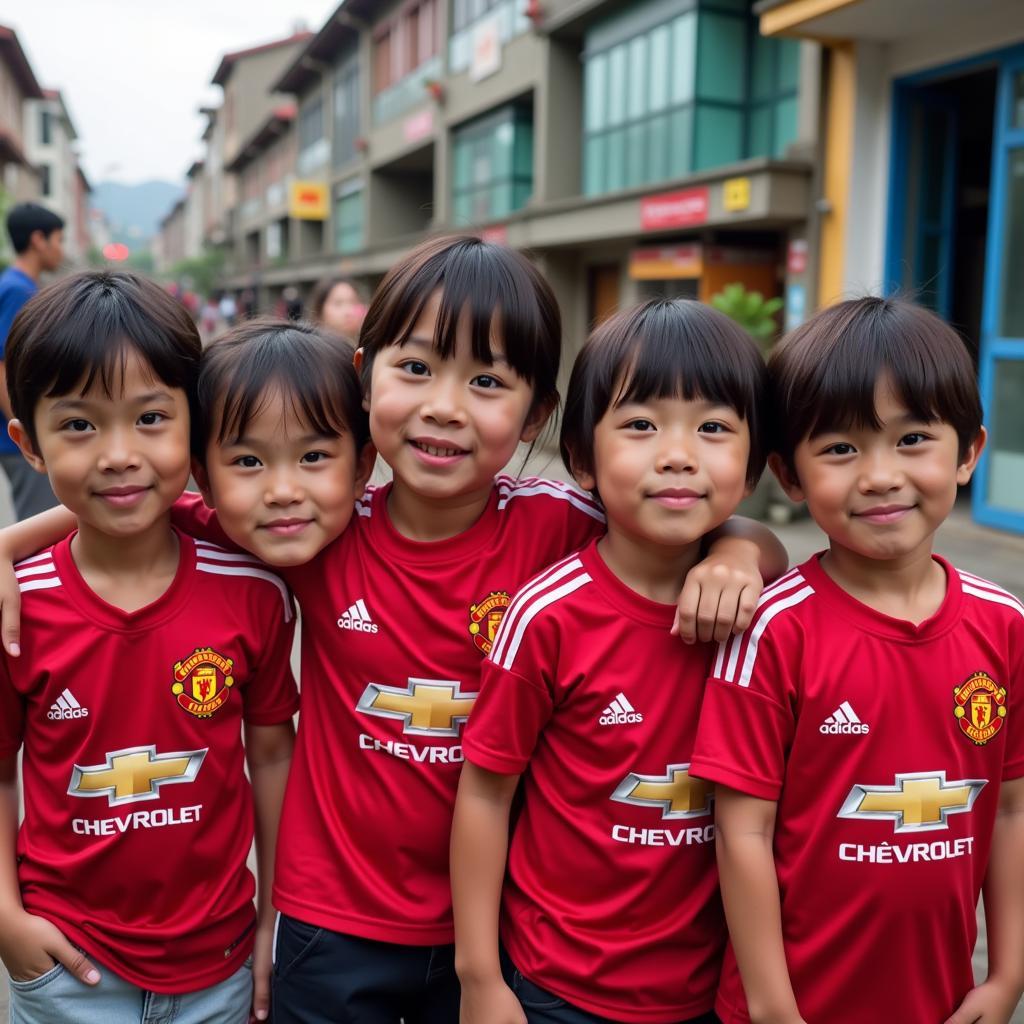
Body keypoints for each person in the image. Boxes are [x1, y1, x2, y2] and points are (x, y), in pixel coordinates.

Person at [0, 237, 784, 1023]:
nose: (445, 404)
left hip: (498, 925)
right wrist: (7, 547)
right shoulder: (318, 521)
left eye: (485, 380)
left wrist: (744, 549)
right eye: (416, 369)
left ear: (538, 414)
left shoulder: (562, 526)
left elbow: (684, 519)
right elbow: (143, 490)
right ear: (364, 378)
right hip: (330, 919)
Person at [690, 297, 1024, 1024]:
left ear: (968, 452)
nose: (878, 476)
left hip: (938, 1003)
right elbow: (740, 832)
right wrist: (774, 1009)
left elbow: (1009, 813)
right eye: (840, 449)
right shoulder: (773, 630)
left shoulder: (1005, 626)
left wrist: (1004, 979)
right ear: (789, 475)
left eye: (912, 440)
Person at [452, 299, 769, 1024]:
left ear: (753, 466)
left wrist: (748, 551)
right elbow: (485, 793)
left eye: (714, 428)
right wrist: (479, 979)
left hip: (710, 989)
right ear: (581, 460)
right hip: (557, 988)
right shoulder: (547, 616)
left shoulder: (769, 617)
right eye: (641, 425)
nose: (679, 453)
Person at [0, 272, 299, 1024]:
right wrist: (7, 922)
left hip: (219, 964)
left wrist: (274, 918)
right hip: (66, 965)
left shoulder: (253, 587)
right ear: (26, 444)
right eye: (78, 425)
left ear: (195, 427)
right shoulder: (16, 607)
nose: (119, 455)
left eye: (152, 417)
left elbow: (270, 753)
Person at [0, 203, 64, 520]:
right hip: (20, 439)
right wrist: (30, 432)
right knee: (39, 525)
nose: (60, 250)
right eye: (58, 240)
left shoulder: (19, 286)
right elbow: (3, 365)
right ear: (39, 240)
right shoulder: (18, 291)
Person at [310, 273, 367, 340]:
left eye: (353, 302)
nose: (348, 311)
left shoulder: (368, 346)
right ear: (320, 309)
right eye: (338, 303)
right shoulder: (311, 347)